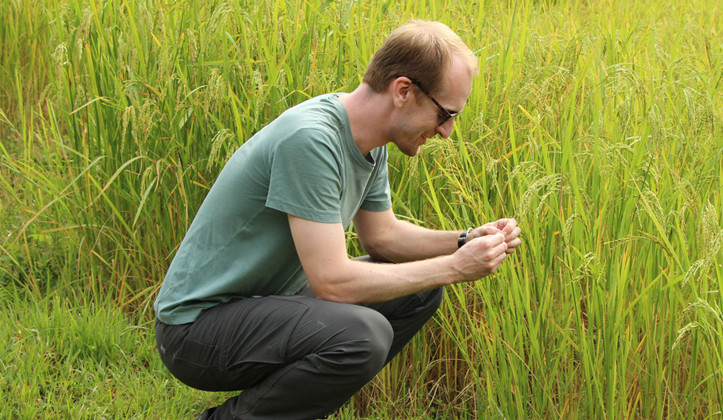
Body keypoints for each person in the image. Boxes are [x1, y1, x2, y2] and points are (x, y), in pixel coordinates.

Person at [153, 19, 522, 420]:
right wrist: (453, 268)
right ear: (403, 91)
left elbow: (383, 237)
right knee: (364, 335)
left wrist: (464, 241)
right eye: (445, 113)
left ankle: (282, 408)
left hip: (258, 307)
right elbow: (332, 283)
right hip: (194, 329)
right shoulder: (311, 139)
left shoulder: (369, 140)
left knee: (418, 291)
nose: (448, 131)